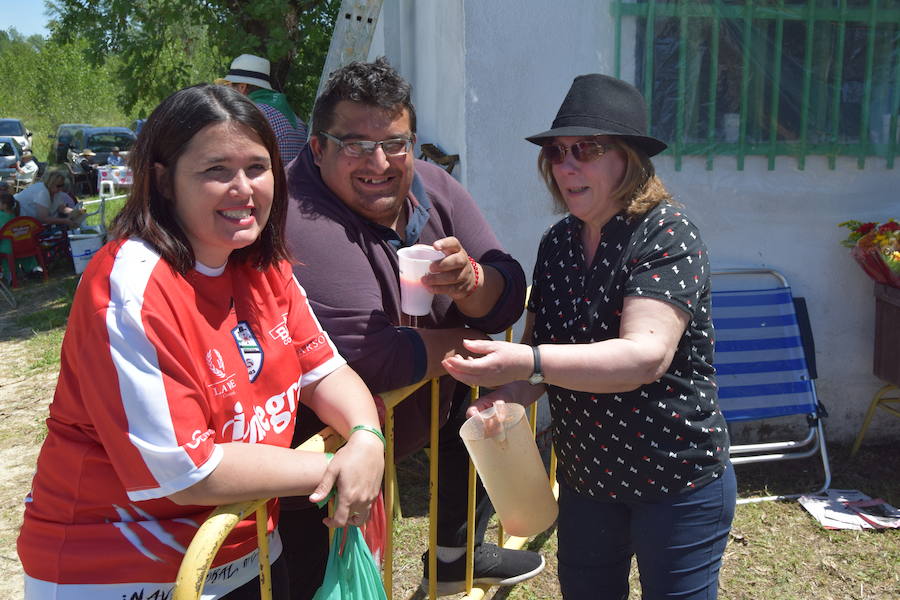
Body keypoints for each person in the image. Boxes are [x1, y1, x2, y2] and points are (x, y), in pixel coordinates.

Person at [16, 83, 385, 600]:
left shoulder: (264, 267)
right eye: (216, 170)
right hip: (116, 571)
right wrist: (336, 467)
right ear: (164, 181)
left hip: (246, 548)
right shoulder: (129, 285)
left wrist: (366, 438)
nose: (244, 188)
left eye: (257, 168)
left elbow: (325, 370)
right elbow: (186, 469)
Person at [442, 74, 736, 600]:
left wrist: (525, 364)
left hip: (675, 479)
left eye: (587, 149)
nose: (566, 165)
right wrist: (503, 397)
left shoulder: (666, 230)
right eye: (557, 152)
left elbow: (645, 356)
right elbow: (540, 358)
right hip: (589, 479)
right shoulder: (557, 243)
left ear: (629, 158)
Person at [281, 57, 542, 598]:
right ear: (318, 148)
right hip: (310, 454)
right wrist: (473, 344)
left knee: (481, 400)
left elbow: (508, 287)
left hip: (399, 417)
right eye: (355, 143)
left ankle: (455, 557)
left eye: (395, 143)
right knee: (312, 575)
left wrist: (473, 283)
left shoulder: (430, 183)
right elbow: (371, 357)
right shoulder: (299, 213)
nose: (379, 162)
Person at [223, 54, 308, 165]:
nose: (227, 91)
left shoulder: (251, 115)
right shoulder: (292, 116)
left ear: (242, 87)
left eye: (229, 85)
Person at [14, 169, 83, 229]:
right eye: (59, 186)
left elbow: (61, 208)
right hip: (16, 220)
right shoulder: (42, 191)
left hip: (28, 222)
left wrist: (75, 211)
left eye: (62, 185)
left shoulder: (55, 192)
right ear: (50, 183)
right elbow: (43, 219)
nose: (61, 188)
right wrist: (64, 221)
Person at [0, 191, 40, 280]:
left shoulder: (1, 216)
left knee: (6, 252)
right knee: (26, 255)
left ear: (4, 205)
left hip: (7, 249)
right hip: (24, 245)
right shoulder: (16, 216)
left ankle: (10, 274)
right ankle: (32, 268)